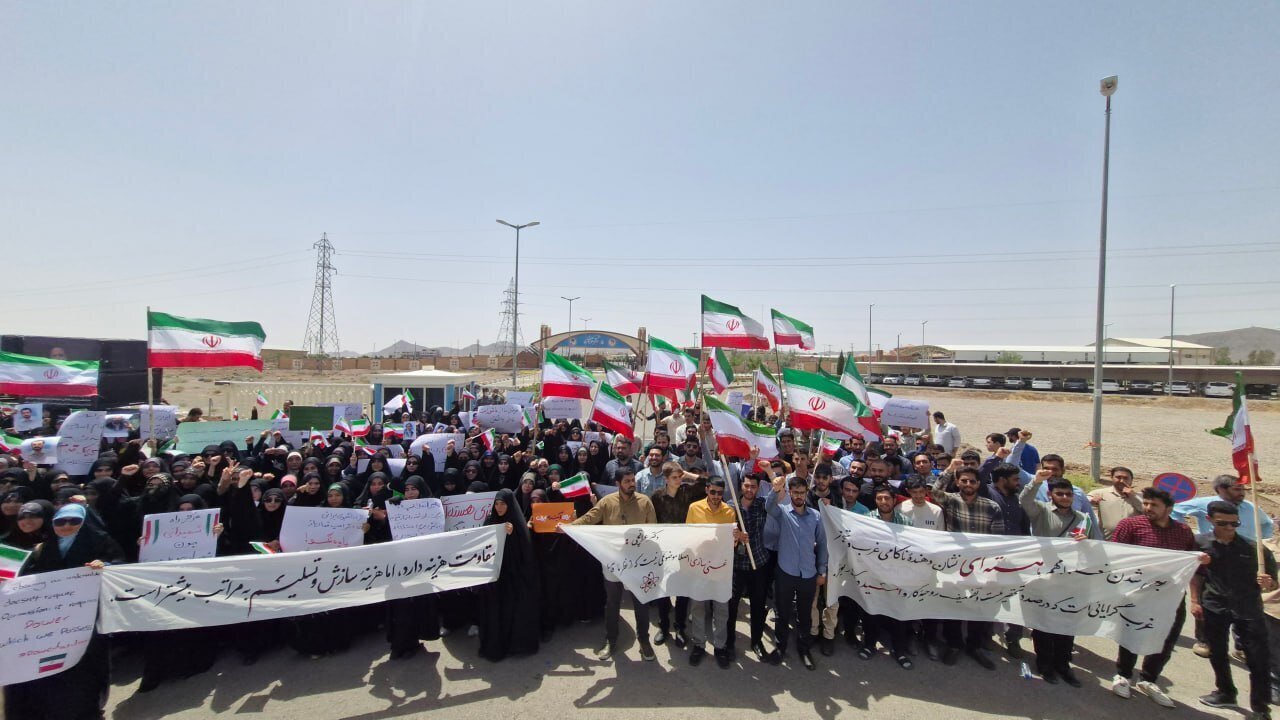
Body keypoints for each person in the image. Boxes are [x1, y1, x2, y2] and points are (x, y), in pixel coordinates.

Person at [5, 503, 124, 720]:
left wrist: (104, 565)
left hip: (88, 620)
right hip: (51, 623)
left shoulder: (100, 541)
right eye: (60, 522)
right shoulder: (42, 549)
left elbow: (119, 566)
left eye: (73, 521)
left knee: (86, 668)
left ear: (84, 522)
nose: (66, 526)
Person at [1109, 487, 1200, 708]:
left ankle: (1149, 679)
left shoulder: (1183, 531)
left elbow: (1192, 563)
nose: (1148, 508)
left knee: (1166, 637)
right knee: (1132, 632)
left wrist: (1195, 598)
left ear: (1169, 509)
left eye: (1154, 505)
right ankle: (1123, 675)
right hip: (1138, 592)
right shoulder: (1130, 525)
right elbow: (1114, 555)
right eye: (1146, 503)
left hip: (1171, 596)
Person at [1194, 500, 1277, 719]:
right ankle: (1225, 692)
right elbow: (1193, 575)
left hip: (1249, 609)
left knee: (1258, 659)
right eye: (1223, 523)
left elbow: (1273, 583)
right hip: (1215, 606)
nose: (1230, 528)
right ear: (1210, 520)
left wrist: (1268, 582)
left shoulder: (1255, 549)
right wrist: (1194, 601)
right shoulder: (1199, 543)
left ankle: (1261, 708)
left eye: (1235, 524)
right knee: (1217, 652)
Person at [568, 466, 657, 662]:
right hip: (613, 561)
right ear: (617, 484)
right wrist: (569, 527)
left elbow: (653, 532)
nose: (631, 484)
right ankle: (611, 639)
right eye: (627, 481)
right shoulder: (607, 502)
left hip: (638, 562)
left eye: (633, 480)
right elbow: (589, 518)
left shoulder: (645, 502)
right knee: (612, 603)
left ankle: (644, 640)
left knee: (641, 603)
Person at [1020, 471, 1090, 686]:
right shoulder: (1041, 511)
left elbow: (1094, 546)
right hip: (1045, 577)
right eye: (1060, 494)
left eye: (1069, 494)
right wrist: (1036, 481)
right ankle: (1045, 665)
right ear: (1051, 495)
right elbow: (1024, 500)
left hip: (1070, 580)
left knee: (1067, 624)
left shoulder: (1082, 519)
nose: (1065, 498)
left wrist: (1086, 541)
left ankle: (1063, 665)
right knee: (1044, 623)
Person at [931, 463, 1003, 669]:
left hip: (981, 566)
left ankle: (975, 646)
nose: (968, 484)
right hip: (955, 565)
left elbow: (998, 540)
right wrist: (949, 469)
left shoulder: (991, 507)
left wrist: (993, 568)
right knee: (954, 605)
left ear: (979, 484)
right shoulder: (951, 501)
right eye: (964, 481)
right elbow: (935, 491)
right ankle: (953, 644)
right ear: (957, 482)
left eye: (972, 481)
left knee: (978, 607)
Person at [765, 473, 826, 670]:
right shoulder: (782, 513)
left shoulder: (816, 516)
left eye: (802, 492)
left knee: (804, 614)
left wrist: (822, 571)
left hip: (808, 574)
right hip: (786, 572)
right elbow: (769, 507)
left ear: (806, 493)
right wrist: (775, 489)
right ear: (790, 493)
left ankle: (804, 649)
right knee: (782, 613)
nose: (799, 496)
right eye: (795, 492)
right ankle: (780, 647)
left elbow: (822, 545)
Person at [684, 478, 747, 668]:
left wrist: (737, 537)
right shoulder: (694, 508)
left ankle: (720, 647)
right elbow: (688, 536)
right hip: (699, 566)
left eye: (720, 493)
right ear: (706, 490)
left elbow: (730, 543)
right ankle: (698, 645)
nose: (716, 496)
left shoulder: (729, 512)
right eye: (713, 492)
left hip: (720, 568)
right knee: (698, 608)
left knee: (721, 610)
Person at [650, 461, 707, 649]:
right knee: (663, 591)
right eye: (674, 477)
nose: (678, 480)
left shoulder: (687, 492)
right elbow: (652, 520)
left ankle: (680, 627)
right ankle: (663, 627)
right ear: (666, 479)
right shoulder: (657, 497)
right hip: (664, 549)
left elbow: (707, 482)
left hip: (684, 549)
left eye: (679, 477)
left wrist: (687, 474)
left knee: (683, 591)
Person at [479, 489, 541, 661]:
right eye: (497, 504)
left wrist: (513, 535)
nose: (499, 508)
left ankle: (515, 645)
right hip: (495, 577)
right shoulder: (490, 521)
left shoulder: (516, 524)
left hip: (513, 577)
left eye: (503, 504)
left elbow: (525, 552)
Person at [858, 485, 914, 669]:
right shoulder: (867, 519)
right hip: (873, 574)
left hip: (898, 576)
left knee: (898, 614)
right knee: (871, 611)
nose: (883, 502)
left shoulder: (906, 522)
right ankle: (869, 645)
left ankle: (899, 650)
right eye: (879, 498)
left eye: (887, 498)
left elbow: (913, 548)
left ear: (894, 500)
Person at [727, 472, 774, 662]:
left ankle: (756, 641)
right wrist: (735, 534)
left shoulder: (762, 504)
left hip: (758, 563)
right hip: (736, 565)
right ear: (741, 486)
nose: (749, 489)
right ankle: (729, 642)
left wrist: (771, 473)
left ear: (758, 488)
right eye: (746, 486)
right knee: (731, 606)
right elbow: (720, 532)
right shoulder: (730, 506)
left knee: (758, 605)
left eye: (753, 486)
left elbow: (779, 495)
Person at [1174, 474, 1274, 541]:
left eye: (1243, 490)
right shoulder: (1204, 504)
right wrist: (1185, 533)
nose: (1242, 493)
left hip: (1247, 553)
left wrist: (1263, 541)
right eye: (1237, 489)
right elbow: (1175, 510)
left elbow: (1267, 523)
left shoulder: (1250, 507)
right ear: (1221, 489)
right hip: (1213, 551)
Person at [1089, 466, 1143, 540]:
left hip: (1133, 542)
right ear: (1112, 478)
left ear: (1131, 480)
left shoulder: (1141, 497)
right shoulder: (1101, 493)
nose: (1122, 481)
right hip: (1106, 541)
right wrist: (1091, 500)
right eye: (1118, 477)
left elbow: (1148, 512)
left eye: (1126, 478)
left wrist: (1133, 496)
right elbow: (1083, 501)